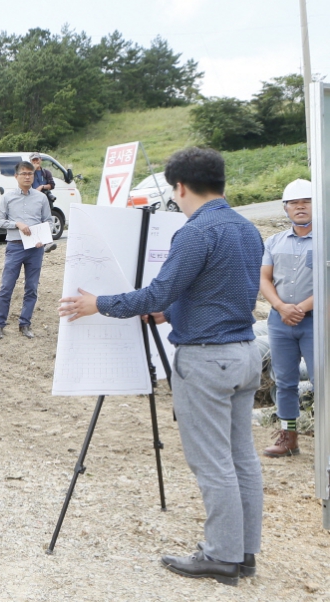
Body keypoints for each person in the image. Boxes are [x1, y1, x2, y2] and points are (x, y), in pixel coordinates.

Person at [59, 147, 264, 586]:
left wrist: (100, 303)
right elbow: (221, 291)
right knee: (242, 457)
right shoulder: (246, 228)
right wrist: (170, 314)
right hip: (244, 353)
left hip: (208, 359)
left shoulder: (196, 232)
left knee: (213, 462)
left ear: (181, 186)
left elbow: (157, 292)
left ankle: (221, 556)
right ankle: (244, 551)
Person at [259, 178, 315, 457]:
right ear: (285, 208)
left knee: (323, 380)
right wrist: (281, 307)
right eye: (294, 202)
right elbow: (264, 278)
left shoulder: (326, 240)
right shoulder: (274, 241)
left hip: (316, 322)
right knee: (285, 381)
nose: (300, 206)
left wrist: (301, 307)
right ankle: (289, 437)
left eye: (306, 201)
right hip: (280, 322)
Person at [0, 161, 53, 340]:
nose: (27, 177)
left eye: (30, 174)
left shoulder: (41, 198)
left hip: (35, 249)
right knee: (7, 286)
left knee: (32, 288)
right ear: (16, 176)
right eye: (24, 173)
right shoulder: (8, 197)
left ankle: (25, 323)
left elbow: (49, 221)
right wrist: (16, 224)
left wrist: (42, 238)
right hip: (15, 246)